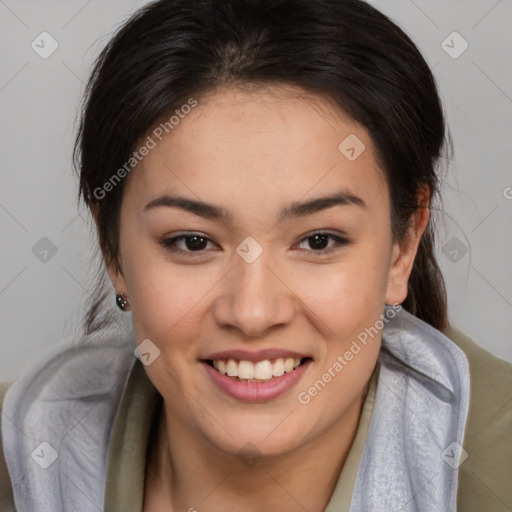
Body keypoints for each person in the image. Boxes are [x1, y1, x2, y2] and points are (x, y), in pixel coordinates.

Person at [1, 0, 511, 511]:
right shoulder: (22, 455)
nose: (252, 312)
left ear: (403, 247)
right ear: (113, 252)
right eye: (193, 242)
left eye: (318, 241)